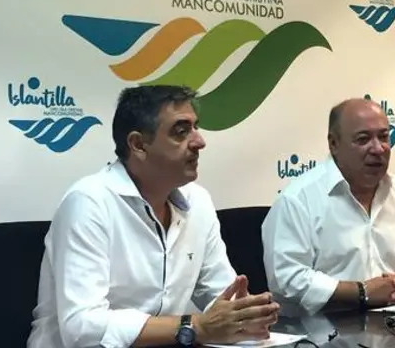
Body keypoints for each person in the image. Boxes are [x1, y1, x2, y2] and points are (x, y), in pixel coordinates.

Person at [27, 85, 279, 348]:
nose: (199, 141)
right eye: (181, 132)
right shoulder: (88, 203)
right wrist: (194, 327)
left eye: (195, 127)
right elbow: (82, 328)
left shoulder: (199, 202)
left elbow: (222, 296)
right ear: (138, 145)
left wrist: (245, 316)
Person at [261, 98, 395, 317]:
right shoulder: (298, 200)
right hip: (319, 326)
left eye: (383, 137)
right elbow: (287, 277)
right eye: (363, 139)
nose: (378, 148)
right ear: (334, 144)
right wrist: (361, 292)